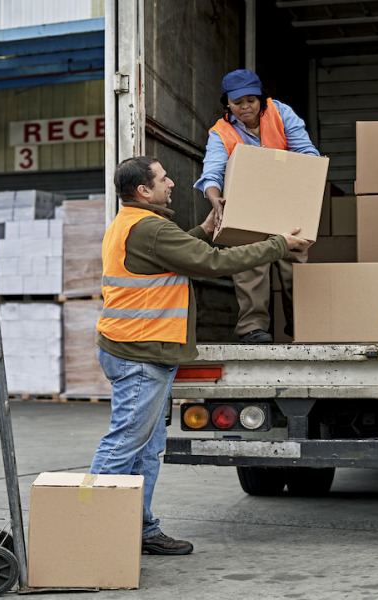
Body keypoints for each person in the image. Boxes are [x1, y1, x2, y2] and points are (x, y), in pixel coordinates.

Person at [91, 156, 311, 555]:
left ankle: (138, 529)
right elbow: (212, 264)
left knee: (146, 447)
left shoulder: (130, 223)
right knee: (125, 443)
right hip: (141, 353)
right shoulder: (151, 228)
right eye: (163, 178)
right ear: (143, 190)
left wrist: (205, 231)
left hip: (137, 349)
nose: (171, 183)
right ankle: (88, 536)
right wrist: (278, 244)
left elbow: (174, 255)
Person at [193, 68, 321, 344]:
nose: (245, 107)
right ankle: (253, 329)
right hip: (246, 204)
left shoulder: (281, 113)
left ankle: (301, 326)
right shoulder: (221, 132)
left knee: (294, 264)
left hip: (288, 199)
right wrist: (216, 200)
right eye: (237, 102)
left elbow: (307, 154)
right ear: (227, 102)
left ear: (261, 98)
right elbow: (212, 173)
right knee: (249, 264)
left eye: (251, 100)